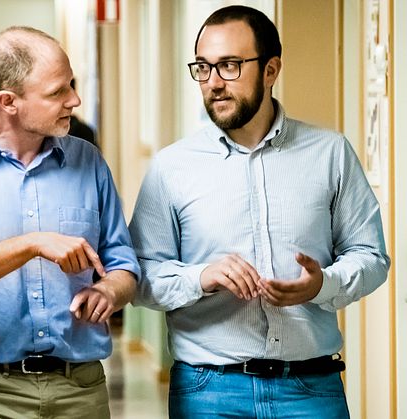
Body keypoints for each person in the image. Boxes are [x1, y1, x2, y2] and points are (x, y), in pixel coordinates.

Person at [129, 6, 390, 418]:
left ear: (271, 70)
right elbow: (140, 277)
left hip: (311, 388)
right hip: (207, 390)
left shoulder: (330, 154)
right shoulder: (171, 168)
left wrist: (322, 284)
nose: (213, 83)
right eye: (203, 67)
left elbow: (372, 257)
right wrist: (202, 276)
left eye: (230, 66)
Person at [0, 26, 139, 418]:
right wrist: (31, 244)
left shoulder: (89, 162)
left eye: (72, 84)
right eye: (57, 92)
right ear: (8, 101)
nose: (75, 100)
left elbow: (123, 263)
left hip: (80, 388)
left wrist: (111, 292)